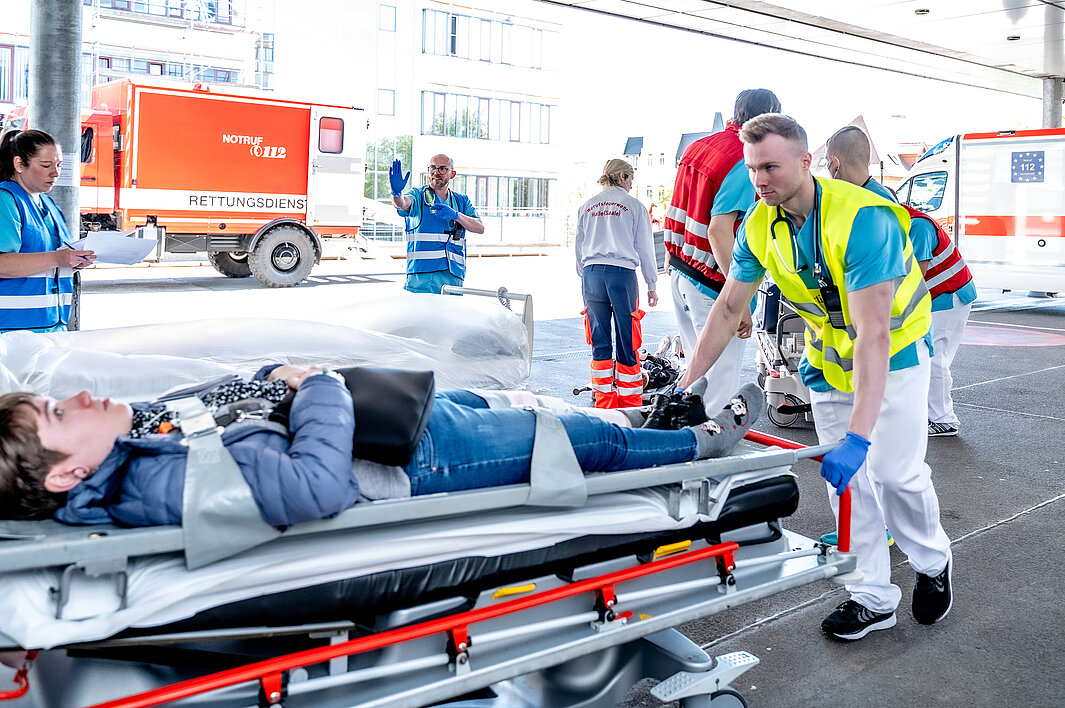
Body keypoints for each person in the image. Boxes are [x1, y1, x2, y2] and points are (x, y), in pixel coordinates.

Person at [677, 113, 953, 641]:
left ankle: (932, 561)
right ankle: (872, 597)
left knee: (894, 476)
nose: (759, 180)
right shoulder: (758, 225)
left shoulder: (865, 219)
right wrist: (687, 385)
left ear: (806, 162)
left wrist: (859, 437)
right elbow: (728, 306)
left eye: (770, 167)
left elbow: (874, 334)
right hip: (828, 365)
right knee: (849, 489)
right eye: (752, 168)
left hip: (893, 359)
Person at [0, 364, 763, 526]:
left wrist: (272, 376)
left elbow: (224, 409)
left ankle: (648, 419)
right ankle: (696, 441)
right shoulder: (150, 485)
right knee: (575, 440)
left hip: (388, 424)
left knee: (515, 402)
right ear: (67, 475)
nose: (80, 397)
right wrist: (318, 386)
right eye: (60, 413)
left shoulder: (134, 443)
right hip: (409, 461)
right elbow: (314, 487)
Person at [825, 126, 976, 438]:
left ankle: (942, 417)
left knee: (934, 356)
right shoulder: (885, 206)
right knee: (930, 355)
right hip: (942, 293)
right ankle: (930, 414)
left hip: (947, 295)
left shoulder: (912, 225)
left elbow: (912, 278)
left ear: (834, 163)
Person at [663, 89, 780, 413]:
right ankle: (704, 443)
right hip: (712, 285)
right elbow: (718, 230)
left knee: (696, 379)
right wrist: (737, 299)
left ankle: (684, 436)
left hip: (682, 274)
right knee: (717, 391)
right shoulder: (744, 159)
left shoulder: (697, 148)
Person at [575, 159, 659, 408]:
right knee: (627, 337)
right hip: (621, 275)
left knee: (599, 338)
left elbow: (579, 245)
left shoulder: (587, 206)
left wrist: (585, 275)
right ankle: (630, 401)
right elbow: (645, 248)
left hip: (591, 274)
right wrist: (651, 284)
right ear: (622, 176)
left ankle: (604, 401)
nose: (632, 184)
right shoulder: (634, 206)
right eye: (631, 178)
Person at [0, 129, 95, 333]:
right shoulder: (5, 200)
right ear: (19, 164)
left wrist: (72, 261)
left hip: (51, 327)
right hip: (11, 332)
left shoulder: (48, 204)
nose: (55, 173)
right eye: (45, 165)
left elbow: (48, 261)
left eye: (59, 165)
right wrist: (58, 259)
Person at [389, 155, 484, 294]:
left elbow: (479, 227)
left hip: (453, 278)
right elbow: (402, 204)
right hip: (422, 280)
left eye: (442, 169)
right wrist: (396, 194)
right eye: (432, 168)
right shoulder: (418, 195)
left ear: (452, 174)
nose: (436, 172)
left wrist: (457, 216)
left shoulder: (461, 201)